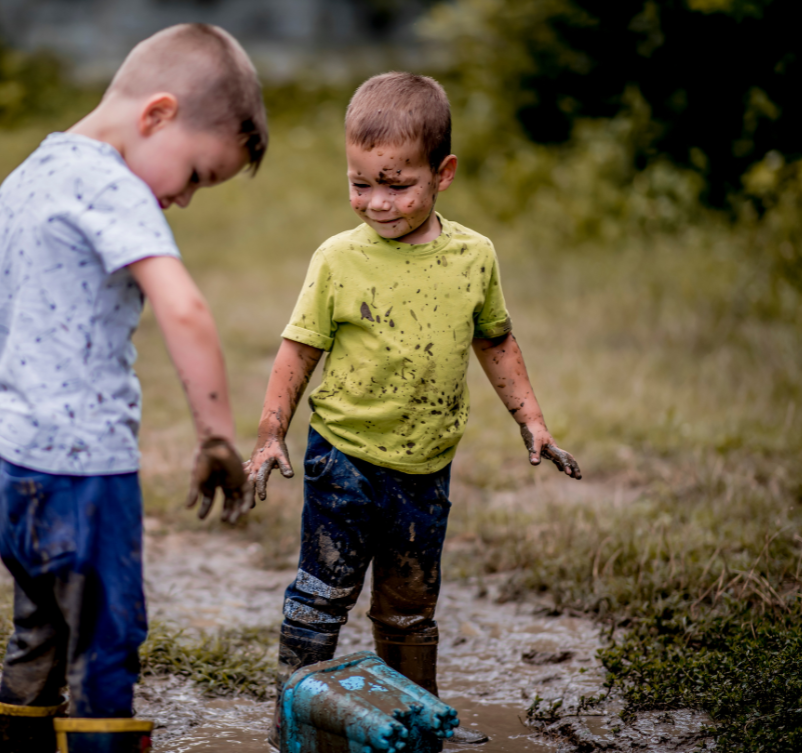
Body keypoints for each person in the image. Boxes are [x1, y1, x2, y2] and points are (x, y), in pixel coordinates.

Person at [246, 72, 581, 747]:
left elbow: (496, 341)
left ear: (443, 173)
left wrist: (533, 422)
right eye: (359, 183)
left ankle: (417, 719)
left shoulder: (472, 258)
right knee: (321, 595)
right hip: (341, 457)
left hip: (425, 469)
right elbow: (297, 349)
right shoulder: (338, 260)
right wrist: (270, 433)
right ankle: (296, 716)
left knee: (408, 610)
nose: (375, 202)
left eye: (396, 184)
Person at [0, 23, 264, 753]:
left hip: (7, 464)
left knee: (37, 629)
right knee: (105, 641)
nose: (188, 198)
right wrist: (215, 435)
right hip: (84, 473)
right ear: (157, 115)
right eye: (197, 173)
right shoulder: (115, 183)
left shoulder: (25, 175)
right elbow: (184, 308)